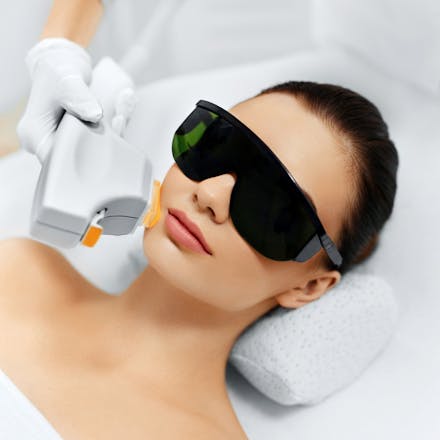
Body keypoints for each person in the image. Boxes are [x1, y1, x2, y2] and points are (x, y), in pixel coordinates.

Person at [1, 79, 398, 438]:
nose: (209, 194)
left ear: (308, 286)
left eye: (270, 205)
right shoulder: (19, 271)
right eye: (219, 146)